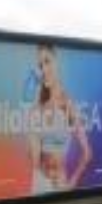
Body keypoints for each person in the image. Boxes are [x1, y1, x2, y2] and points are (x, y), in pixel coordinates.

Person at [29, 44, 92, 193]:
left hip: (61, 184)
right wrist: (40, 167)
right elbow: (35, 160)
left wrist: (72, 182)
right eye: (40, 65)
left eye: (47, 61)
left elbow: (87, 152)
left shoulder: (67, 104)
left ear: (56, 62)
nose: (44, 69)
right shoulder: (36, 108)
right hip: (39, 183)